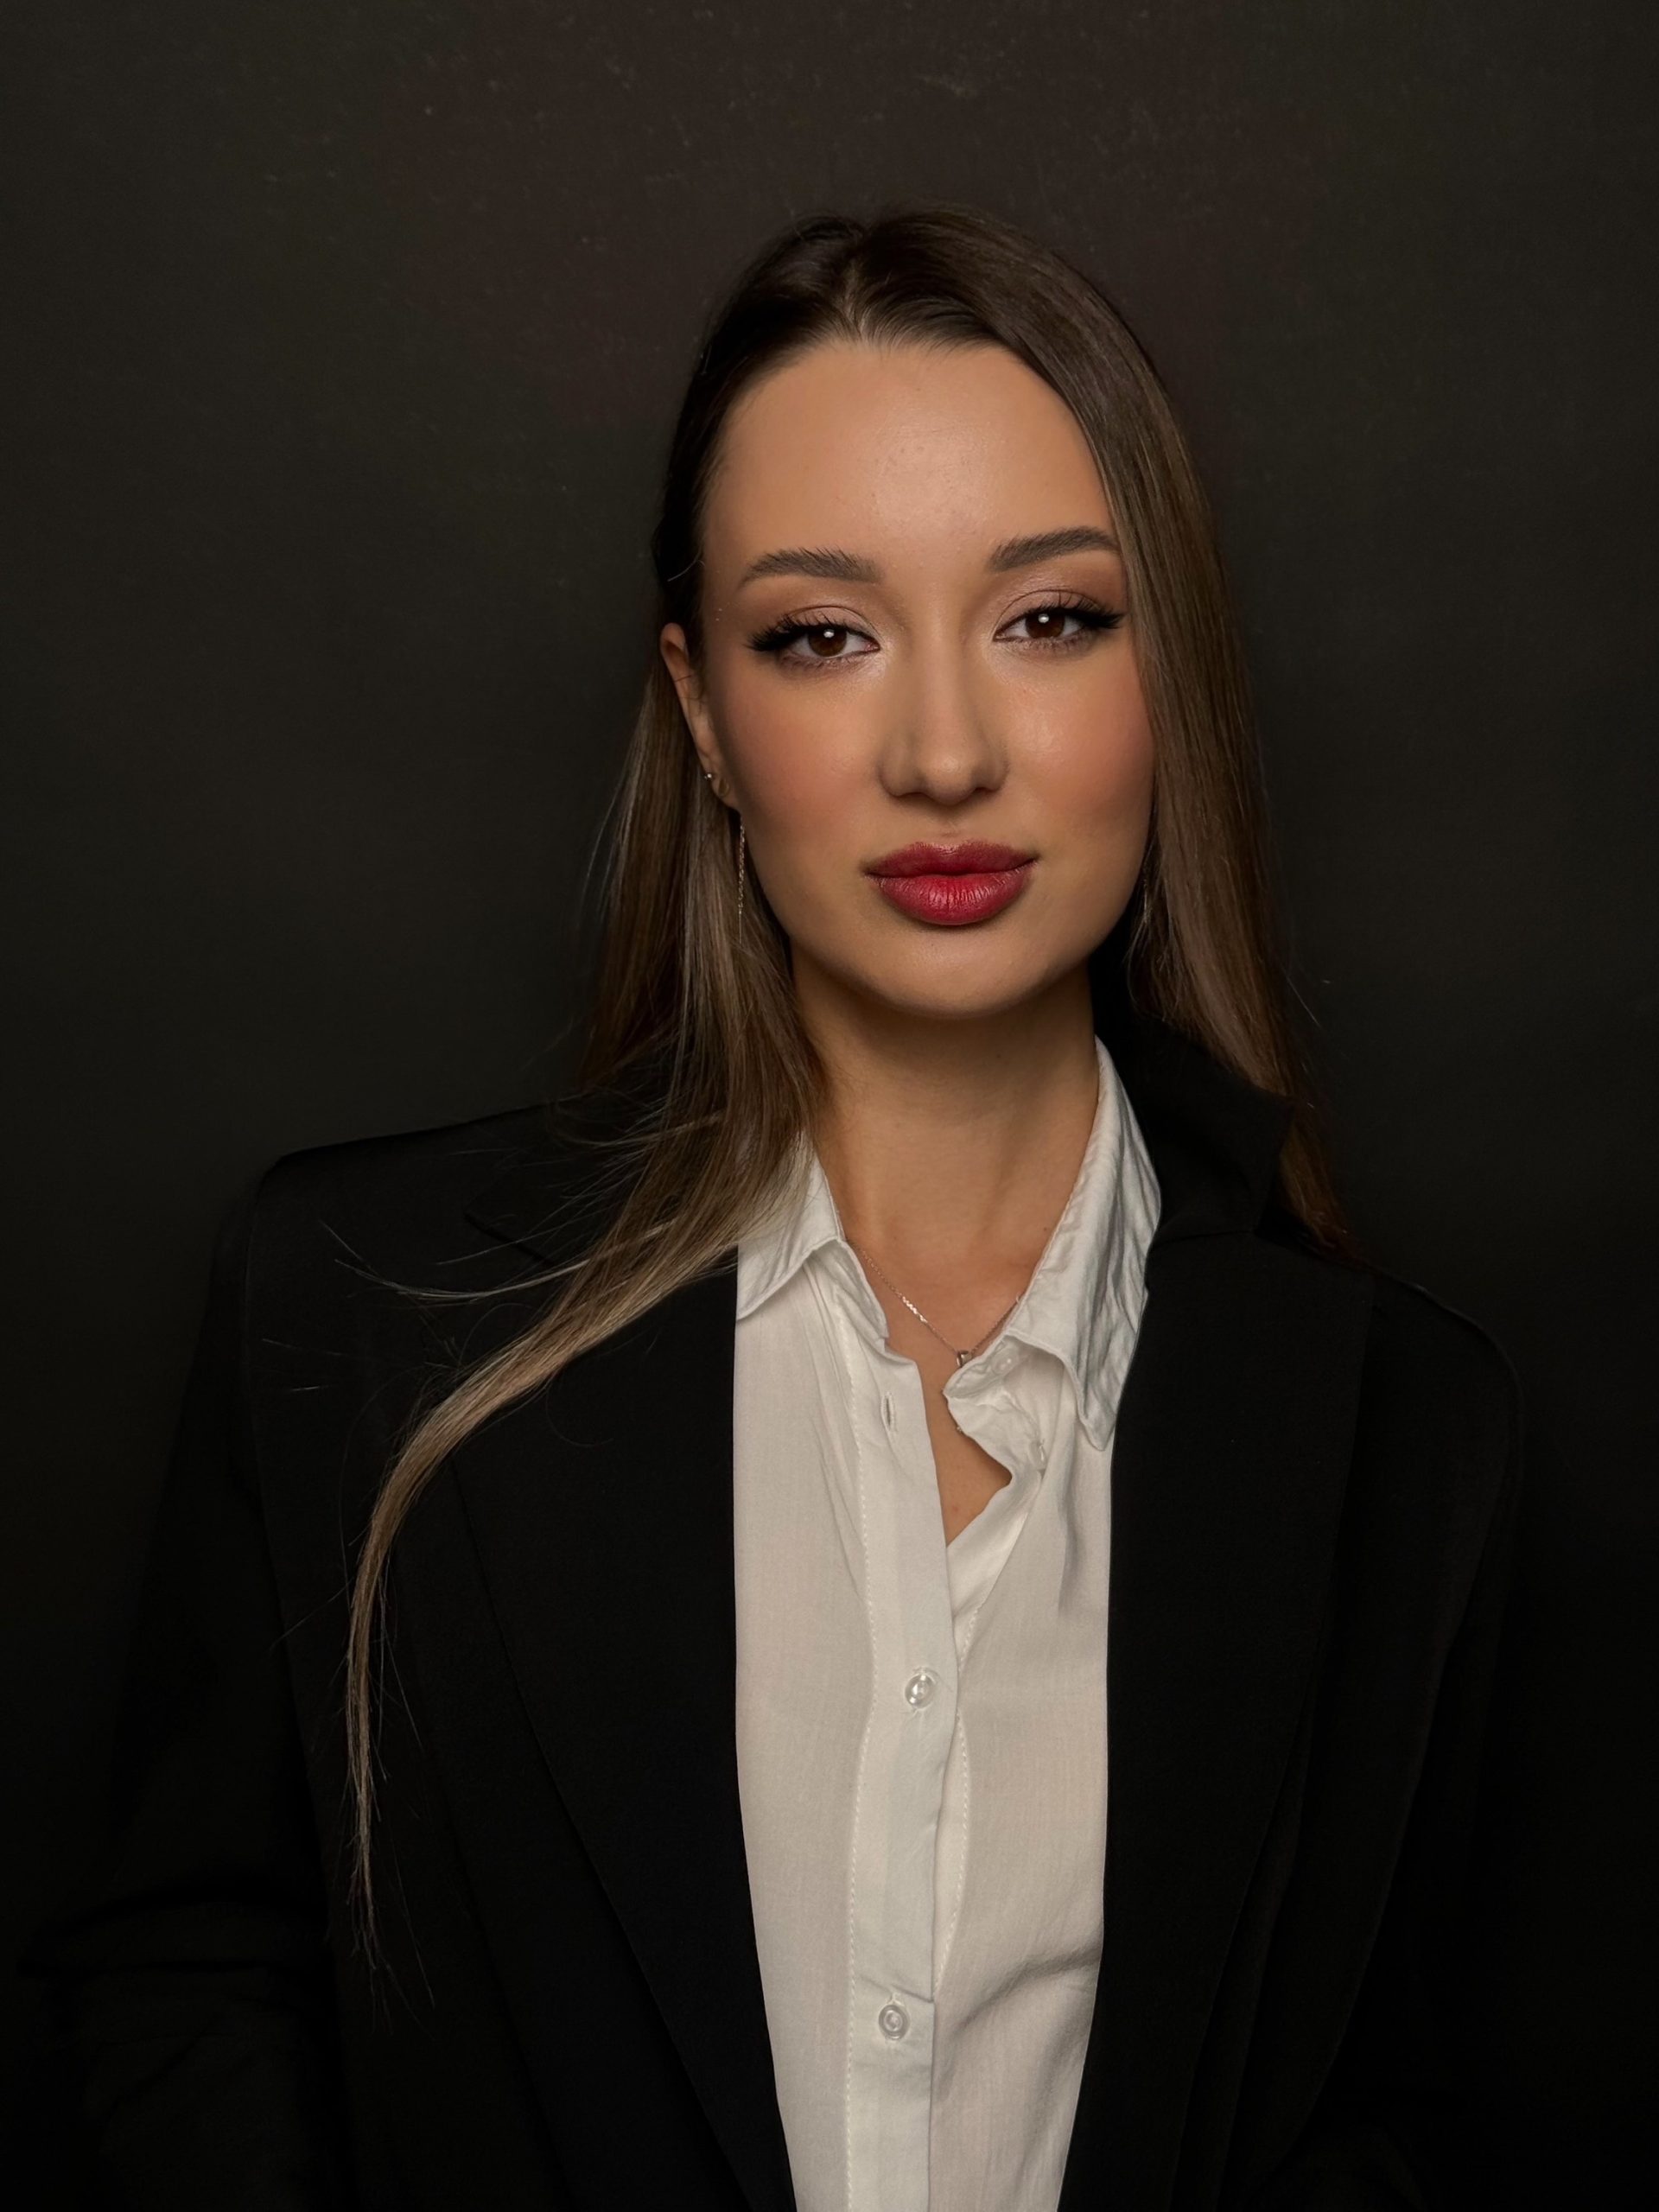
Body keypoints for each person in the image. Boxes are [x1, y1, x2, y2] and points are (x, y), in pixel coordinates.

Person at [19, 202, 1527, 2210]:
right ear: (708, 713)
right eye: (823, 633)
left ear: (1169, 666)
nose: (945, 752)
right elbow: (191, 1977)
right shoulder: (359, 1310)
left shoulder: (1408, 1433)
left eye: (1051, 618)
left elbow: (1419, 2107)